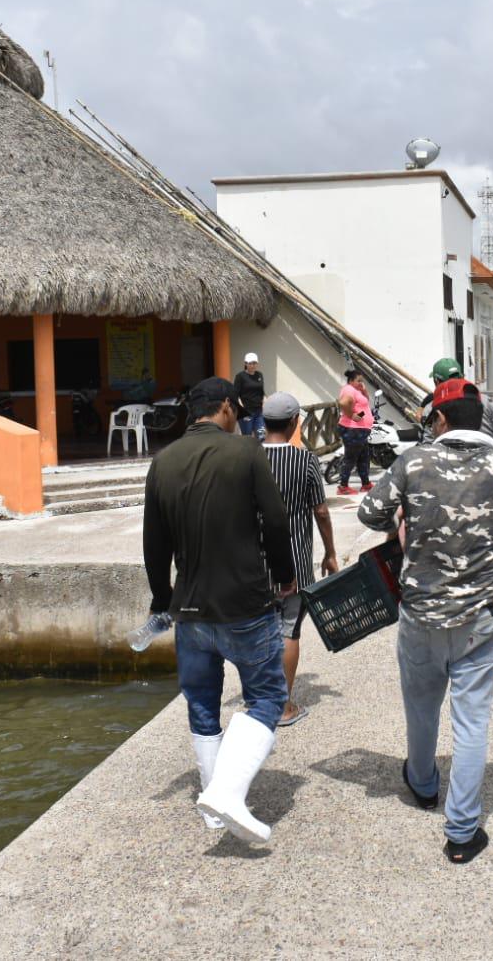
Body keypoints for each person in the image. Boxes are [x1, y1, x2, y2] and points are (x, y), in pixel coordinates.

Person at [358, 378, 493, 865]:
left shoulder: (414, 462)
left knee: (421, 706)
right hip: (481, 615)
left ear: (441, 419)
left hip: (422, 612)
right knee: (472, 721)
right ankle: (461, 831)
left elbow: (370, 513)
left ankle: (423, 783)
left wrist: (403, 520)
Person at [142, 377, 295, 844]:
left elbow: (154, 544)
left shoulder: (163, 462)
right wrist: (285, 575)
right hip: (243, 604)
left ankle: (212, 806)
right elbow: (275, 520)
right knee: (267, 698)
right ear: (226, 407)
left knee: (202, 704)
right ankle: (227, 793)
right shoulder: (246, 451)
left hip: (189, 610)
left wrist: (162, 599)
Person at [261, 391, 341, 726]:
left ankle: (261, 702)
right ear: (295, 421)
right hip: (294, 564)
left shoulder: (248, 458)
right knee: (289, 631)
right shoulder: (305, 460)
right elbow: (320, 511)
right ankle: (283, 707)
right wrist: (330, 552)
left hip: (255, 567)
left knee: (261, 631)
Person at [420, 358, 493, 452]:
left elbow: (426, 447)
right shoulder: (483, 400)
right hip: (487, 458)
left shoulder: (432, 408)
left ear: (437, 381)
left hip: (446, 460)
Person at [336, 368, 374, 496]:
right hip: (353, 430)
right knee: (350, 459)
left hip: (360, 430)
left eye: (362, 381)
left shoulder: (356, 390)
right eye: (358, 381)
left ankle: (366, 484)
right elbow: (343, 403)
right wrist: (352, 415)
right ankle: (343, 487)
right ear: (351, 381)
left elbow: (364, 406)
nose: (361, 383)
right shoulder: (349, 389)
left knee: (364, 457)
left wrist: (364, 390)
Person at [234, 354, 266, 437]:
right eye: (250, 363)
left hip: (259, 412)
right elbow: (235, 394)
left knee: (261, 435)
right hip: (246, 412)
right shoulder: (240, 376)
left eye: (254, 363)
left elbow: (261, 391)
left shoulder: (259, 375)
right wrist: (242, 408)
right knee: (247, 437)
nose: (252, 365)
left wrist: (265, 401)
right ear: (245, 363)